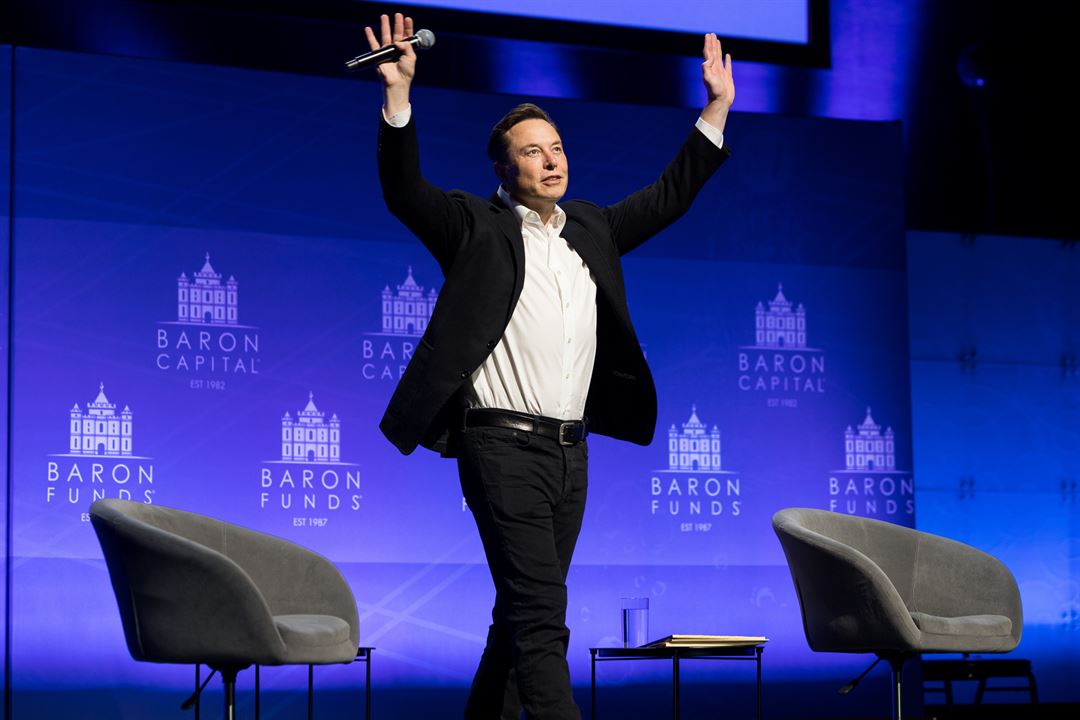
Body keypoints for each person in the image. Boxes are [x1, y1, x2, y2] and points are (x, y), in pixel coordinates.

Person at [365, 12, 734, 720]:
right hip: (501, 448)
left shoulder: (591, 228)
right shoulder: (475, 226)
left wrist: (715, 108)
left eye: (557, 147)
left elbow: (669, 196)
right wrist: (398, 95)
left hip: (571, 454)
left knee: (518, 617)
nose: (551, 160)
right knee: (541, 620)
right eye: (532, 152)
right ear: (505, 170)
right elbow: (405, 191)